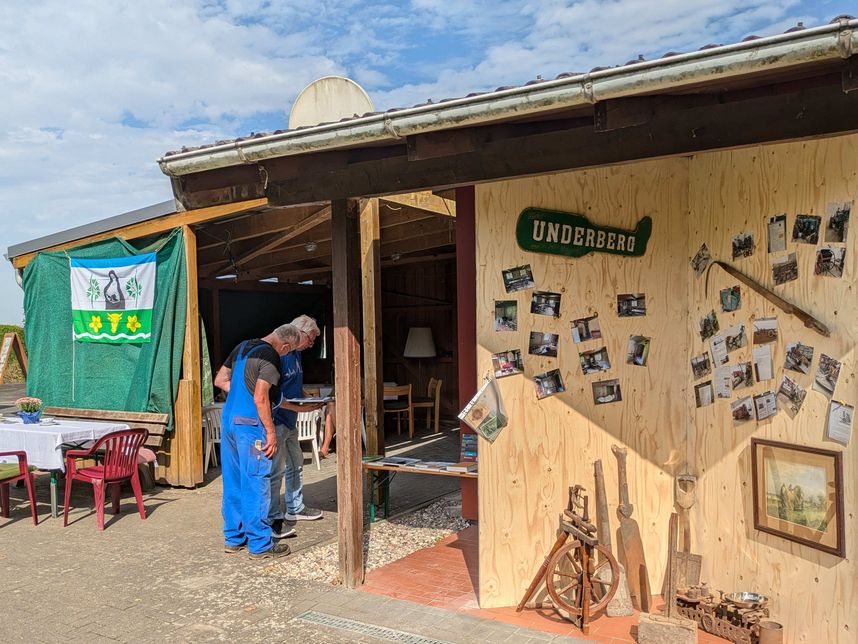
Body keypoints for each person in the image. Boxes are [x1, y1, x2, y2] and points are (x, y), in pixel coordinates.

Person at [214, 325, 296, 559]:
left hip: (229, 420)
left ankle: (233, 538)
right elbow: (261, 397)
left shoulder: (242, 347)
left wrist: (242, 394)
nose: (285, 356)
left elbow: (220, 380)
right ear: (285, 346)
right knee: (256, 480)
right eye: (288, 352)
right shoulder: (270, 355)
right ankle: (260, 545)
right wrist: (270, 431)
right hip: (250, 425)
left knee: (233, 480)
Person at [268, 315, 326, 538]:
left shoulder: (296, 355)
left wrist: (308, 399)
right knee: (276, 471)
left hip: (291, 419)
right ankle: (273, 516)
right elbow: (272, 392)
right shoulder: (280, 354)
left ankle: (295, 507)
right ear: (297, 333)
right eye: (309, 340)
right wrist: (301, 408)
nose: (310, 345)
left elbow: (294, 386)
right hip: (278, 419)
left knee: (296, 463)